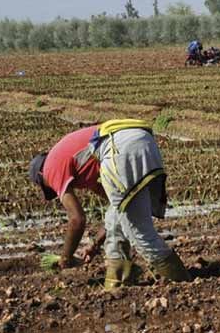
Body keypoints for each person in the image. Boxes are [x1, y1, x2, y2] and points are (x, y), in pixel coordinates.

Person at [28, 119, 192, 289]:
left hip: (118, 147)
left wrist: (66, 257)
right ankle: (118, 280)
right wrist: (95, 244)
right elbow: (116, 206)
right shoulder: (80, 164)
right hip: (140, 139)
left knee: (139, 231)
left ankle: (181, 283)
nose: (54, 189)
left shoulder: (50, 168)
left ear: (41, 175)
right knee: (118, 218)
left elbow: (77, 220)